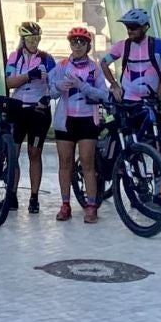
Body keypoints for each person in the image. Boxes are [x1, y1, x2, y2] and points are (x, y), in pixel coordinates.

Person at [49, 27, 106, 222]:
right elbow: (50, 92)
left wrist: (83, 86)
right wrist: (58, 86)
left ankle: (91, 206)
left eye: (82, 42)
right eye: (74, 42)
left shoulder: (94, 68)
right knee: (65, 164)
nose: (78, 46)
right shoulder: (62, 66)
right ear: (70, 44)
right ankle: (65, 205)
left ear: (88, 46)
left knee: (87, 163)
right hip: (66, 121)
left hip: (87, 119)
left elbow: (103, 94)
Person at [4, 21, 56, 214]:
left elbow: (55, 84)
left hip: (38, 111)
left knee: (34, 153)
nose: (35, 42)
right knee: (13, 154)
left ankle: (34, 197)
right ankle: (12, 195)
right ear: (23, 40)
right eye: (31, 39)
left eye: (37, 39)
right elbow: (9, 82)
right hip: (18, 109)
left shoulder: (47, 59)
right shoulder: (14, 57)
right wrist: (29, 75)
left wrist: (47, 97)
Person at [101, 8, 161, 123]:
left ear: (145, 27)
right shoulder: (122, 46)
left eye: (133, 27)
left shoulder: (159, 45)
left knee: (155, 134)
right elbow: (104, 63)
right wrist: (115, 85)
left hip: (150, 101)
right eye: (127, 27)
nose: (129, 30)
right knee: (124, 132)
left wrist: (158, 99)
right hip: (127, 101)